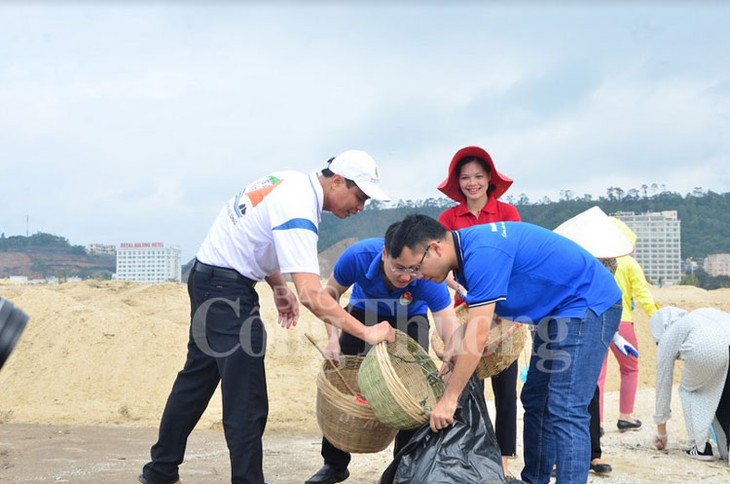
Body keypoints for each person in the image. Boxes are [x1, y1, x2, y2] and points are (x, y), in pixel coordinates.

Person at [139, 150, 396, 484]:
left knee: (196, 381)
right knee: (247, 401)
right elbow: (312, 294)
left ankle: (160, 470)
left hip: (208, 279)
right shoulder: (300, 207)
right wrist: (366, 332)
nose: (360, 207)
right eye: (359, 196)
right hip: (227, 294)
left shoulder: (288, 181)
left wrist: (277, 286)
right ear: (336, 181)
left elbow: (257, 239)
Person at [386, 214, 622, 484]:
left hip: (588, 304)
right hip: (555, 313)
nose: (418, 277)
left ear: (435, 248)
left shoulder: (483, 253)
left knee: (566, 406)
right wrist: (457, 341)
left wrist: (449, 400)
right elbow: (485, 316)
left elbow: (478, 336)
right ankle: (535, 479)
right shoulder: (469, 253)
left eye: (416, 268)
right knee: (537, 399)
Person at [306, 222, 459, 484]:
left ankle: (401, 470)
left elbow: (449, 326)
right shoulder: (358, 256)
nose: (405, 276)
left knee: (415, 394)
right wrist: (332, 339)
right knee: (345, 383)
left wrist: (452, 355)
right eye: (399, 267)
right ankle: (334, 464)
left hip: (410, 317)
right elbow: (328, 296)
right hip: (363, 313)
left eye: (413, 270)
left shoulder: (426, 279)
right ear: (385, 254)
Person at [436, 145, 521, 478]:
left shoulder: (508, 213)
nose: (472, 183)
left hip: (505, 309)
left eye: (478, 176)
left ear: (490, 179)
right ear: (458, 183)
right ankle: (474, 456)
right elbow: (439, 266)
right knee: (469, 386)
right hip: (464, 310)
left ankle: (502, 460)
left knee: (505, 388)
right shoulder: (448, 219)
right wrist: (458, 289)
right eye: (465, 178)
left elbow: (516, 260)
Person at [597, 217, 659, 432]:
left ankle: (598, 422)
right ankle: (626, 415)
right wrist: (656, 317)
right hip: (623, 322)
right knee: (630, 369)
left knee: (598, 374)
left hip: (598, 320)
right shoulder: (630, 263)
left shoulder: (596, 257)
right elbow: (643, 295)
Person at [651, 306, 730, 463]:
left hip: (710, 347)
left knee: (691, 390)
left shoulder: (670, 333)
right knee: (723, 392)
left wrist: (662, 432)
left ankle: (700, 447)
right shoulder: (699, 315)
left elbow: (663, 383)